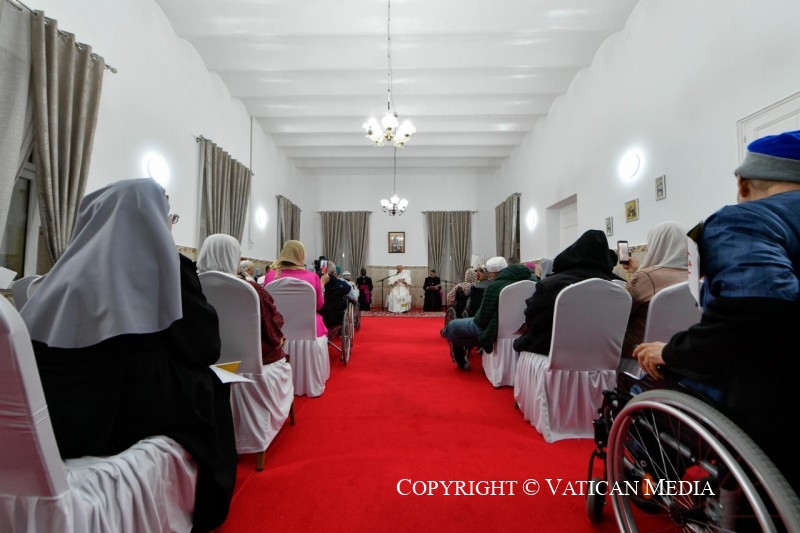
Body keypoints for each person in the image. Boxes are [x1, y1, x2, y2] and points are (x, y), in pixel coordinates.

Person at [20, 178, 236, 532]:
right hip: (132, 407)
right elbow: (205, 346)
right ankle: (212, 500)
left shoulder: (62, 272)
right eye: (170, 216)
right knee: (214, 382)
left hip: (60, 415)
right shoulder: (167, 265)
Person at [634, 130, 800, 495]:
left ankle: (652, 479)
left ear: (742, 185)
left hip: (771, 397)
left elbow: (753, 311)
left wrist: (671, 352)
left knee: (642, 385)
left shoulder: (745, 221)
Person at [513, 229, 620, 356]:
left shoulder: (551, 284)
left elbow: (534, 321)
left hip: (553, 349)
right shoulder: (618, 285)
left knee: (522, 341)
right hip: (601, 350)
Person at [198, 234, 289, 365]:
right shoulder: (250, 288)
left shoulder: (190, 284)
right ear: (233, 257)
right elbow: (273, 325)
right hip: (247, 361)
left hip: (203, 358)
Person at [442, 257, 535, 370]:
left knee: (453, 326)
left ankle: (460, 358)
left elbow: (481, 320)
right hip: (525, 328)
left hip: (496, 329)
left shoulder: (494, 287)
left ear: (492, 273)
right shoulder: (534, 281)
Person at [619, 221, 689, 359]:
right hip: (680, 347)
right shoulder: (697, 275)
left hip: (641, 348)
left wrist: (640, 273)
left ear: (656, 244)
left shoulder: (646, 277)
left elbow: (620, 311)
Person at [263, 240, 329, 337]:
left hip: (276, 329)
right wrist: (322, 283)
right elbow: (318, 306)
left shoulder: (270, 276)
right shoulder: (313, 277)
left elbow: (267, 304)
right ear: (301, 255)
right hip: (308, 329)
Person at [320, 261, 356, 329]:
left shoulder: (318, 283)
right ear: (334, 272)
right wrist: (355, 300)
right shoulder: (342, 284)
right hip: (337, 317)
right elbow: (352, 297)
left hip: (321, 316)